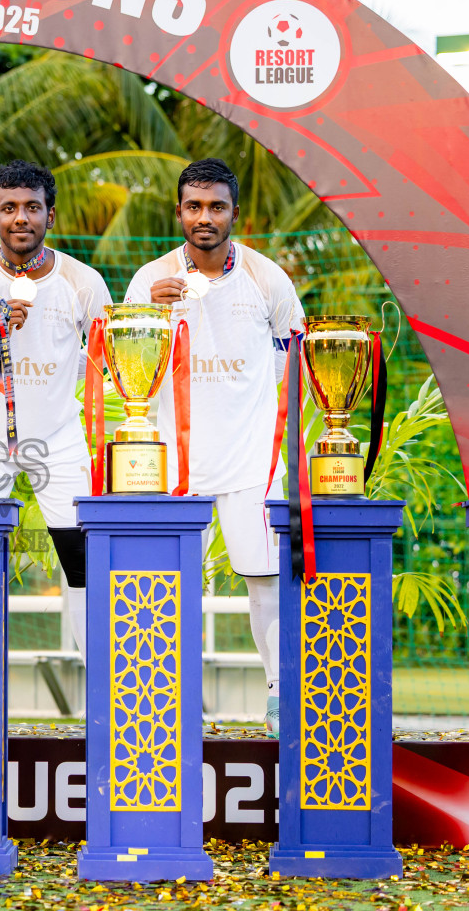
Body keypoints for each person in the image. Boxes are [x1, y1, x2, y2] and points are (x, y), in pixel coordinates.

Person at [124, 157, 304, 737]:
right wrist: (149, 313)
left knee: (266, 580)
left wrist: (259, 414)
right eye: (194, 206)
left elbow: (293, 359)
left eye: (216, 206)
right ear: (178, 212)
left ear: (234, 213)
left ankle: (280, 695)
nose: (205, 217)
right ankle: (162, 703)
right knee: (165, 583)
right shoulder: (150, 279)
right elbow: (127, 369)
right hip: (174, 462)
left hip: (252, 459)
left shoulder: (267, 278)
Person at [0, 160, 112, 656]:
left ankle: (101, 682)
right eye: (9, 208)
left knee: (84, 565)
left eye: (32, 207)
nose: (21, 218)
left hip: (58, 440)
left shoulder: (83, 281)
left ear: (50, 215)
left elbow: (106, 363)